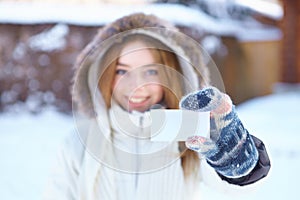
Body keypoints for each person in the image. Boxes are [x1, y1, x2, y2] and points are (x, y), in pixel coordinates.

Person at [43, 13, 270, 200]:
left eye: (151, 71)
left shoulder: (190, 135)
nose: (136, 85)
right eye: (122, 71)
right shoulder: (79, 141)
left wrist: (238, 159)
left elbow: (237, 187)